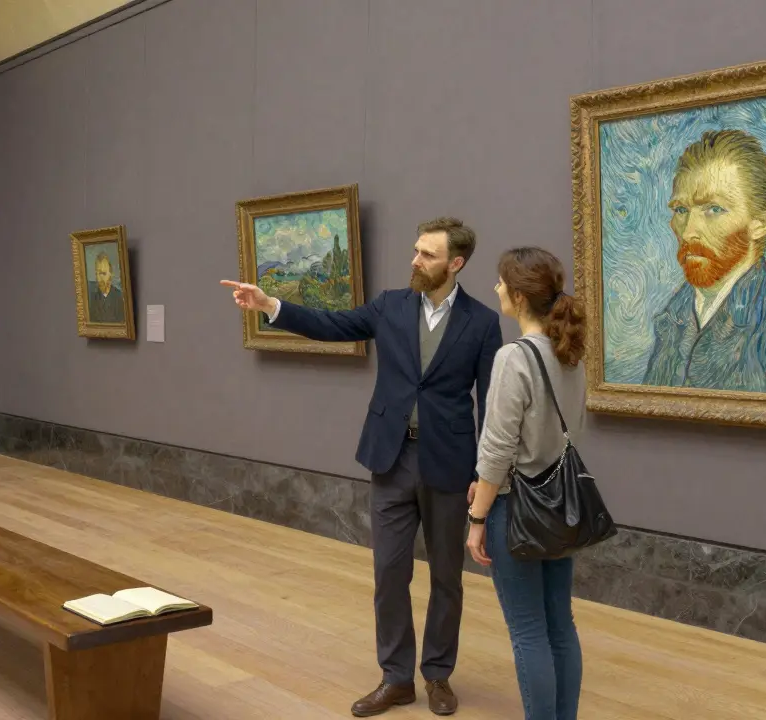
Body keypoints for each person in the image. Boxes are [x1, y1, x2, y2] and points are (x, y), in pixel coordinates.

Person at [221, 216, 503, 717]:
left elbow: (493, 402)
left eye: (428, 255)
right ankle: (396, 678)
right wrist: (269, 305)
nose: (415, 260)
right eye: (416, 250)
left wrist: (484, 475)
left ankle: (437, 674)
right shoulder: (390, 305)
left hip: (450, 465)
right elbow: (333, 325)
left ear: (455, 264)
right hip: (390, 458)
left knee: (446, 579)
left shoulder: (482, 322)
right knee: (389, 573)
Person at [465, 246, 587, 720]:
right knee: (561, 625)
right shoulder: (571, 353)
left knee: (528, 631)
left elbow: (496, 452)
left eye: (500, 283)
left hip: (515, 508)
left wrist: (477, 519)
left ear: (517, 295)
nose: (496, 289)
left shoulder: (512, 357)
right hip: (561, 503)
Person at [643, 128, 766, 395]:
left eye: (713, 210)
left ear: (761, 223)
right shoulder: (673, 317)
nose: (689, 231)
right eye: (681, 210)